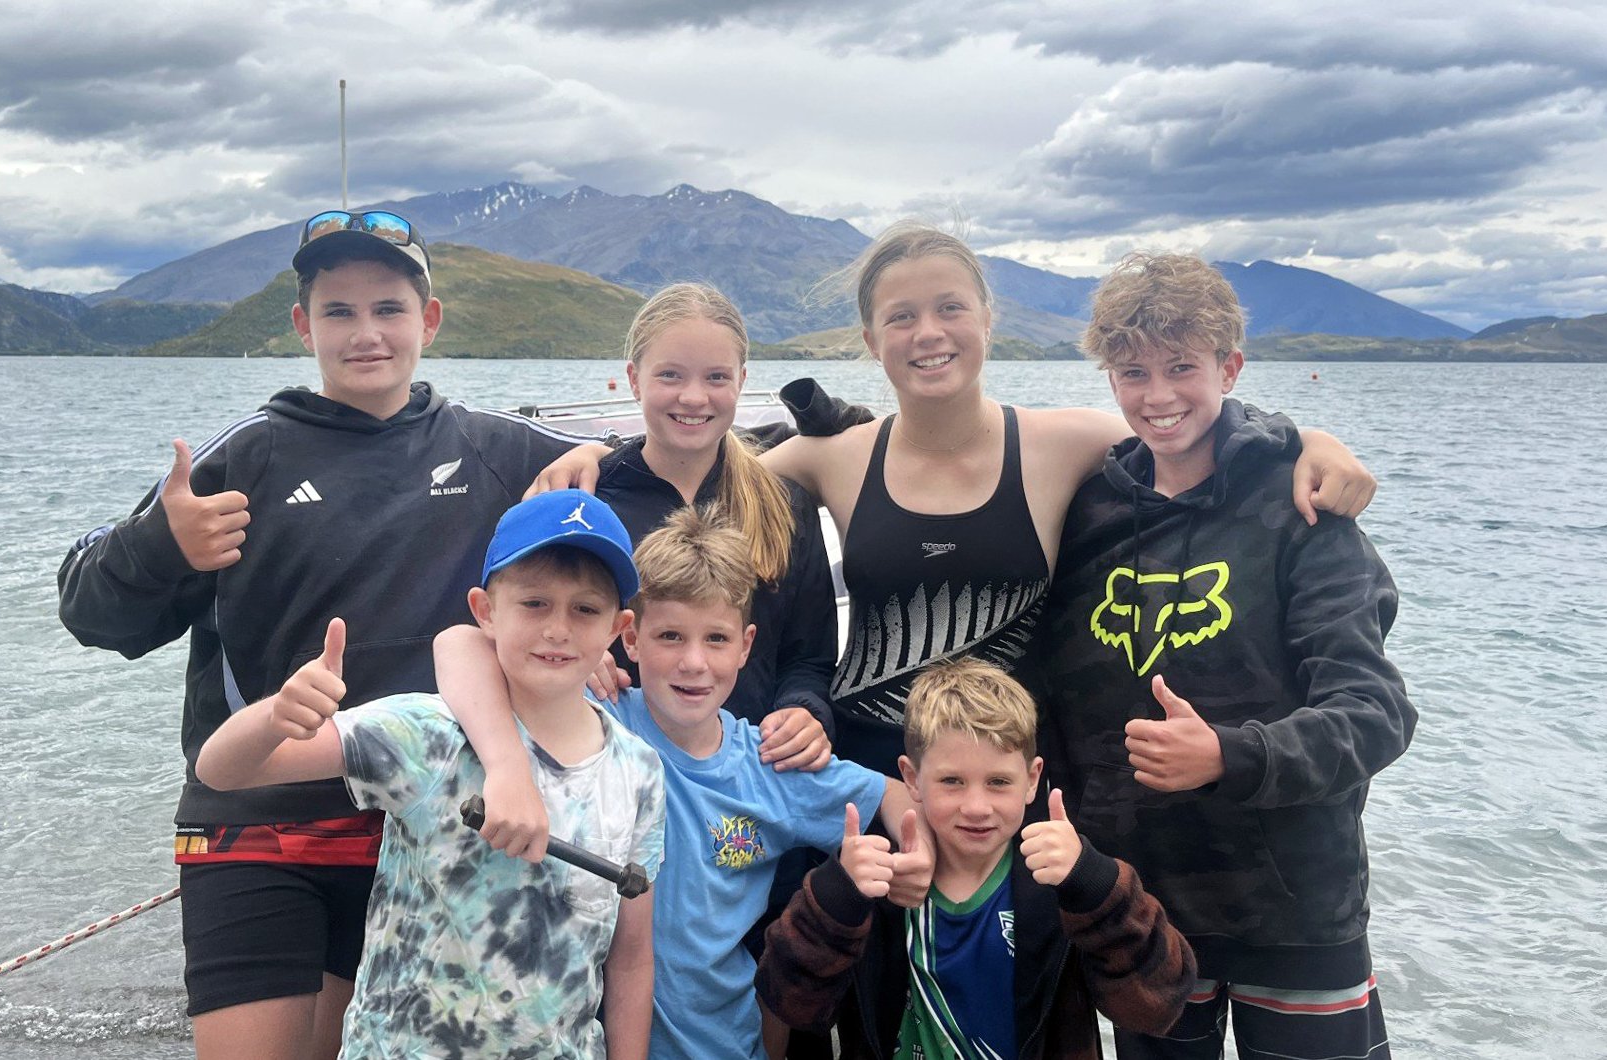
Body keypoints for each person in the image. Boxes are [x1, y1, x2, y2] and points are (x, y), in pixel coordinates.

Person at [533, 222, 1379, 783]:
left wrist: (1305, 441)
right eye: (901, 317)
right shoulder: (834, 457)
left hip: (1008, 774)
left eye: (949, 308)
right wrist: (596, 458)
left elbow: (1182, 425)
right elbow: (700, 448)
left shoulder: (1063, 443)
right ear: (872, 342)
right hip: (865, 767)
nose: (928, 333)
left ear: (986, 318)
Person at [56, 210, 604, 1059]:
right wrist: (160, 546)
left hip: (421, 828)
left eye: (388, 308)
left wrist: (601, 453)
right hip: (254, 815)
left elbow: (689, 465)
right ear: (303, 326)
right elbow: (90, 611)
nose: (366, 333)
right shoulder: (248, 457)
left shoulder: (496, 449)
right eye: (339, 312)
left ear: (428, 321)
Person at [1040, 253, 1416, 1060]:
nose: (1159, 395)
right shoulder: (1091, 511)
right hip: (1140, 908)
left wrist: (1227, 754)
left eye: (1183, 367)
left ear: (1230, 366)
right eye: (1133, 371)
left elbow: (1376, 714)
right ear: (1109, 378)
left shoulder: (1301, 508)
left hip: (1292, 907)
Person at [437, 506, 928, 1060]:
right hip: (583, 1037)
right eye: (670, 635)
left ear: (745, 646)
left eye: (716, 639)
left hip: (729, 1042)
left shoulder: (772, 763)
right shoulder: (597, 716)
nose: (694, 662)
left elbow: (893, 793)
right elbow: (459, 643)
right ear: (631, 638)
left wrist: (917, 858)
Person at [193, 487, 665, 1059]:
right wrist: (273, 716)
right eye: (534, 603)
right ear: (485, 611)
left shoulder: (639, 771)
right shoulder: (426, 733)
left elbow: (632, 953)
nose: (558, 628)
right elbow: (221, 771)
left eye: (585, 609)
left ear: (618, 627)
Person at [755, 656, 1196, 1059]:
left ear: (1032, 778)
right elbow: (789, 1002)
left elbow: (1155, 1006)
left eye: (999, 782)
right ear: (911, 777)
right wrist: (837, 896)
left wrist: (1096, 885)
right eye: (952, 781)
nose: (977, 807)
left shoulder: (1062, 882)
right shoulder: (879, 881)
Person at [590, 282, 838, 772]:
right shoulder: (592, 504)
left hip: (751, 785)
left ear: (742, 381)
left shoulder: (783, 505)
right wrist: (579, 658)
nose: (694, 396)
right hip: (616, 782)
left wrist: (806, 712)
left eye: (717, 377)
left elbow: (808, 657)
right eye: (670, 375)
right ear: (634, 380)